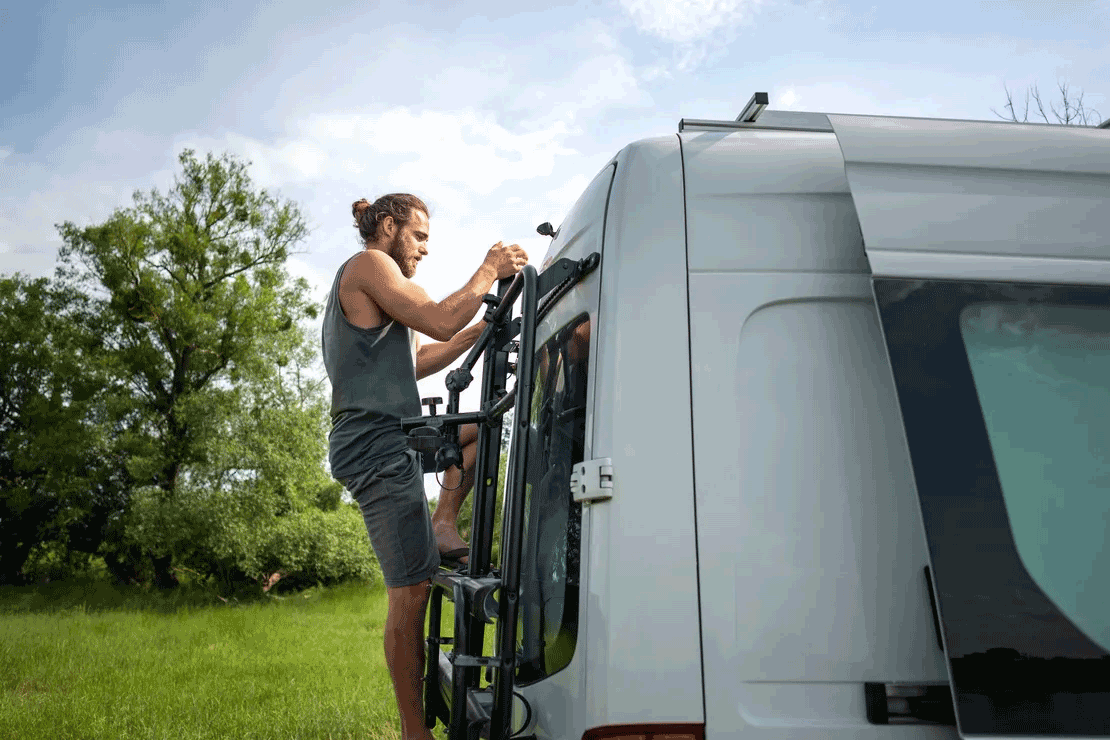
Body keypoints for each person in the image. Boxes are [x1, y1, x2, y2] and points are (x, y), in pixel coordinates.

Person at [321, 193, 527, 740]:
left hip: (398, 436)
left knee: (478, 432)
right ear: (387, 227)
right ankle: (415, 732)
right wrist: (489, 269)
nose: (424, 251)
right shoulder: (371, 265)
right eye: (419, 237)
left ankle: (442, 523)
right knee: (410, 593)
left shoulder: (379, 288)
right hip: (376, 446)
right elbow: (438, 320)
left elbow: (417, 360)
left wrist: (479, 334)